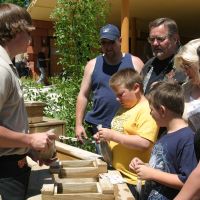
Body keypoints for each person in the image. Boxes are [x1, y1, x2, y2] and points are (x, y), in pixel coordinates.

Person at [0, 3, 56, 200]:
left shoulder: (7, 65)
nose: (30, 39)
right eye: (29, 32)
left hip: (13, 162)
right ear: (16, 31)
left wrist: (28, 149)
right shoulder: (1, 69)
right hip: (6, 170)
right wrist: (30, 140)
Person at [94, 68, 158, 199]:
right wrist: (104, 139)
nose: (117, 99)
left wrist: (112, 135)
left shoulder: (146, 110)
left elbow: (144, 143)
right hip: (119, 175)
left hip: (136, 180)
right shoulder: (125, 107)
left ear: (136, 88)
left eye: (120, 94)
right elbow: (120, 134)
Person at [75, 24, 144, 142]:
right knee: (102, 160)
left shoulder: (135, 63)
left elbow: (144, 96)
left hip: (128, 126)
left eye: (111, 42)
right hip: (100, 127)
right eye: (104, 43)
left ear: (120, 40)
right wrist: (78, 124)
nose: (108, 47)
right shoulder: (92, 65)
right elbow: (83, 95)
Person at [129, 81, 198, 200]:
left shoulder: (187, 139)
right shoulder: (166, 134)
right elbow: (165, 167)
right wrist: (144, 166)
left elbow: (188, 181)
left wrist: (152, 174)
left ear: (162, 110)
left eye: (151, 110)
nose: (150, 114)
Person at [142, 17, 186, 94]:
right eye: (152, 39)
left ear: (175, 39)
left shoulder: (187, 63)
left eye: (160, 39)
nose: (155, 43)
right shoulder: (149, 65)